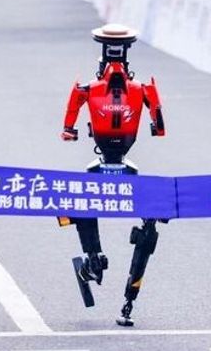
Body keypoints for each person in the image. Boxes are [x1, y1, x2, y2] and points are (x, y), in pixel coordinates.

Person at [59, 23, 166, 326]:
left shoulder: (86, 89)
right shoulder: (143, 89)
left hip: (99, 168)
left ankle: (92, 260)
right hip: (128, 171)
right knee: (150, 223)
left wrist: (70, 131)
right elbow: (159, 125)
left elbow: (68, 125)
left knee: (80, 205)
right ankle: (127, 301)